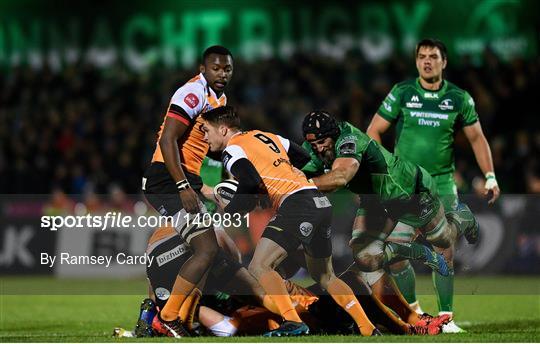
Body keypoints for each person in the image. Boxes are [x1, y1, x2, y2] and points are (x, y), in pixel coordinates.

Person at [201, 106, 381, 337]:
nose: (205, 137)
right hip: (318, 201)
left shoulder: (232, 150)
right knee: (325, 276)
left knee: (259, 266)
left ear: (223, 129)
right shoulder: (264, 136)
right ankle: (368, 328)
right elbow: (302, 156)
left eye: (206, 130)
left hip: (296, 204)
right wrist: (279, 177)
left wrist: (234, 207)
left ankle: (293, 322)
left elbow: (248, 181)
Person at [366, 38, 500, 332]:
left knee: (444, 250)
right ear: (416, 61)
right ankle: (416, 314)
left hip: (440, 184)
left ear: (444, 62)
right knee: (397, 252)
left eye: (433, 56)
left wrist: (489, 175)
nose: (427, 61)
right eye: (422, 56)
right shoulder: (403, 92)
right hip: (407, 187)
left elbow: (477, 138)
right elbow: (374, 131)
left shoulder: (458, 98)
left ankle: (447, 318)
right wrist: (385, 170)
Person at [300, 111, 479, 297]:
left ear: (334, 135)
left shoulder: (349, 140)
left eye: (322, 143)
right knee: (365, 258)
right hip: (375, 201)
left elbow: (340, 176)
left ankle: (462, 218)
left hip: (408, 189)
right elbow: (292, 170)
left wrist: (303, 184)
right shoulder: (313, 149)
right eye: (314, 144)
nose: (319, 149)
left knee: (444, 238)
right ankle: (419, 252)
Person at [142, 45, 233, 337]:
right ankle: (166, 317)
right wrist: (183, 186)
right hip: (166, 180)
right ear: (203, 68)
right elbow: (168, 140)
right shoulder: (191, 93)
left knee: (206, 250)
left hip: (184, 178)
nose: (222, 74)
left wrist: (204, 187)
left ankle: (172, 316)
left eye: (227, 69)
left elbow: (194, 150)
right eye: (216, 68)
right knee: (206, 248)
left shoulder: (219, 98)